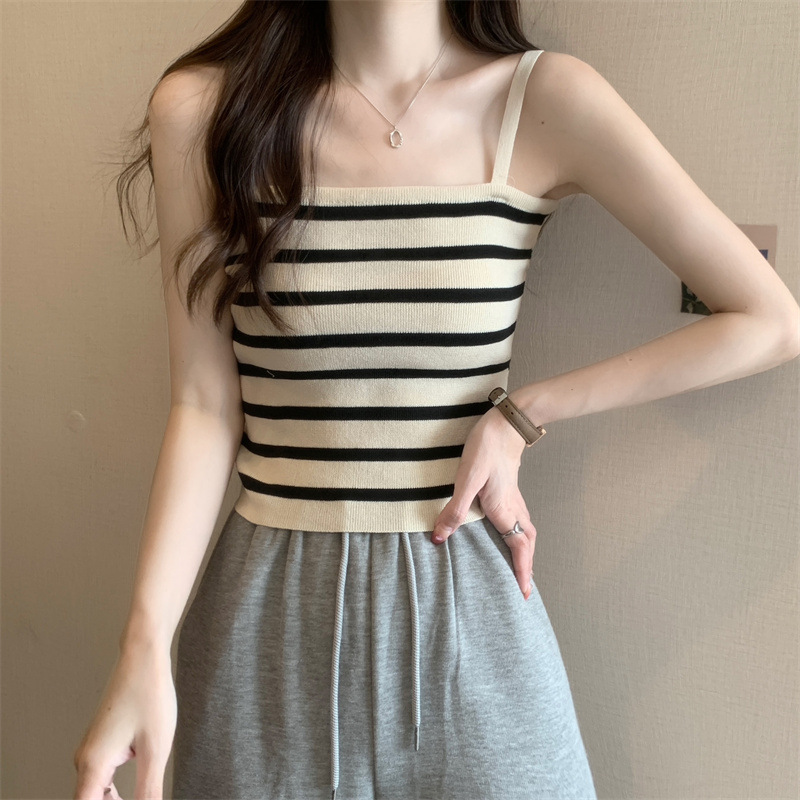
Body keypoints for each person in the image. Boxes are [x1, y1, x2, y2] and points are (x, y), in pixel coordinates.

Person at [73, 1, 800, 799]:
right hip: (266, 626)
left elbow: (766, 320)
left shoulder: (540, 99)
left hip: (472, 609)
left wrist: (525, 414)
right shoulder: (204, 110)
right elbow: (205, 406)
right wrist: (142, 644)